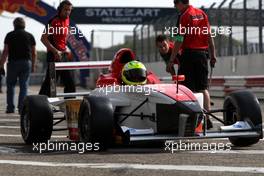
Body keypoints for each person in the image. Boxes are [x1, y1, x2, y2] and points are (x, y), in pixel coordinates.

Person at [168, 0, 217, 129]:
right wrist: (213, 55)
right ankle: (207, 118)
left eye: (175, 4)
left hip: (188, 55)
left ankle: (190, 120)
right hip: (202, 55)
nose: (175, 7)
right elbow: (209, 36)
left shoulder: (184, 16)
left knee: (185, 89)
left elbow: (179, 39)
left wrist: (171, 59)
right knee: (203, 88)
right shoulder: (202, 14)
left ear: (180, 3)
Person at [39, 0, 75, 96]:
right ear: (60, 10)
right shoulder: (54, 21)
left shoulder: (67, 20)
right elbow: (43, 38)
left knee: (70, 84)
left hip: (63, 56)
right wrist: (55, 51)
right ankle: (38, 105)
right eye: (65, 10)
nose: (67, 12)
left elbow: (63, 39)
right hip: (53, 56)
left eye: (69, 10)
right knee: (50, 84)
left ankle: (70, 106)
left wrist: (66, 49)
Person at [0, 17, 36, 113]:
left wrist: (1, 64)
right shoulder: (30, 36)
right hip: (26, 63)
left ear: (14, 25)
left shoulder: (9, 35)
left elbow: (5, 51)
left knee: (10, 85)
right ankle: (21, 108)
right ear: (24, 25)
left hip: (13, 63)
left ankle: (10, 108)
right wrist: (33, 65)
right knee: (24, 86)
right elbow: (34, 53)